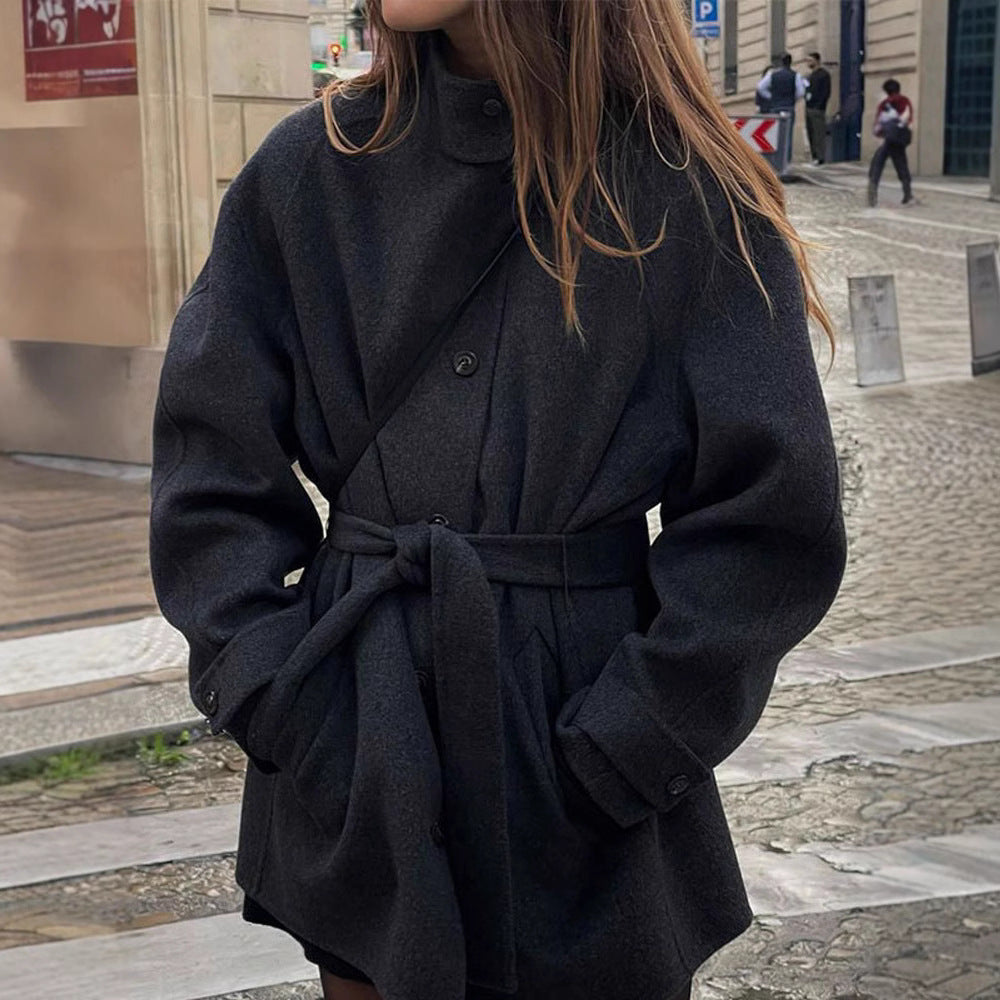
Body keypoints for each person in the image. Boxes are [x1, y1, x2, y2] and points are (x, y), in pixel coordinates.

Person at [148, 2, 847, 1000]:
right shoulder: (310, 169)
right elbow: (209, 465)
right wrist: (286, 702)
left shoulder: (684, 186)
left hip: (582, 756)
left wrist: (629, 744)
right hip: (361, 732)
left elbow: (771, 521)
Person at [868, 78, 914, 207]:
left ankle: (873, 191)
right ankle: (907, 193)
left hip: (888, 139)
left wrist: (880, 133)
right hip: (899, 139)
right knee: (901, 164)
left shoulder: (885, 104)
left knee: (877, 164)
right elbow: (908, 118)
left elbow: (878, 125)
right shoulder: (905, 101)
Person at [756, 53, 807, 164]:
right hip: (788, 107)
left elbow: (760, 87)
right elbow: (801, 92)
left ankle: (774, 159)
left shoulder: (772, 75)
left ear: (780, 62)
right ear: (790, 62)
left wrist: (771, 97)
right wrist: (792, 98)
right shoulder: (795, 75)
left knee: (774, 135)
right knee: (788, 134)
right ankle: (786, 160)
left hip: (775, 107)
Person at [804, 51, 831, 164]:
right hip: (808, 107)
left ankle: (820, 157)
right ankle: (814, 156)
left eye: (810, 60)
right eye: (807, 60)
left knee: (818, 133)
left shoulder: (823, 74)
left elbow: (826, 92)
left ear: (817, 61)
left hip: (818, 108)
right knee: (811, 133)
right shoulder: (810, 76)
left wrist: (820, 105)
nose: (808, 63)